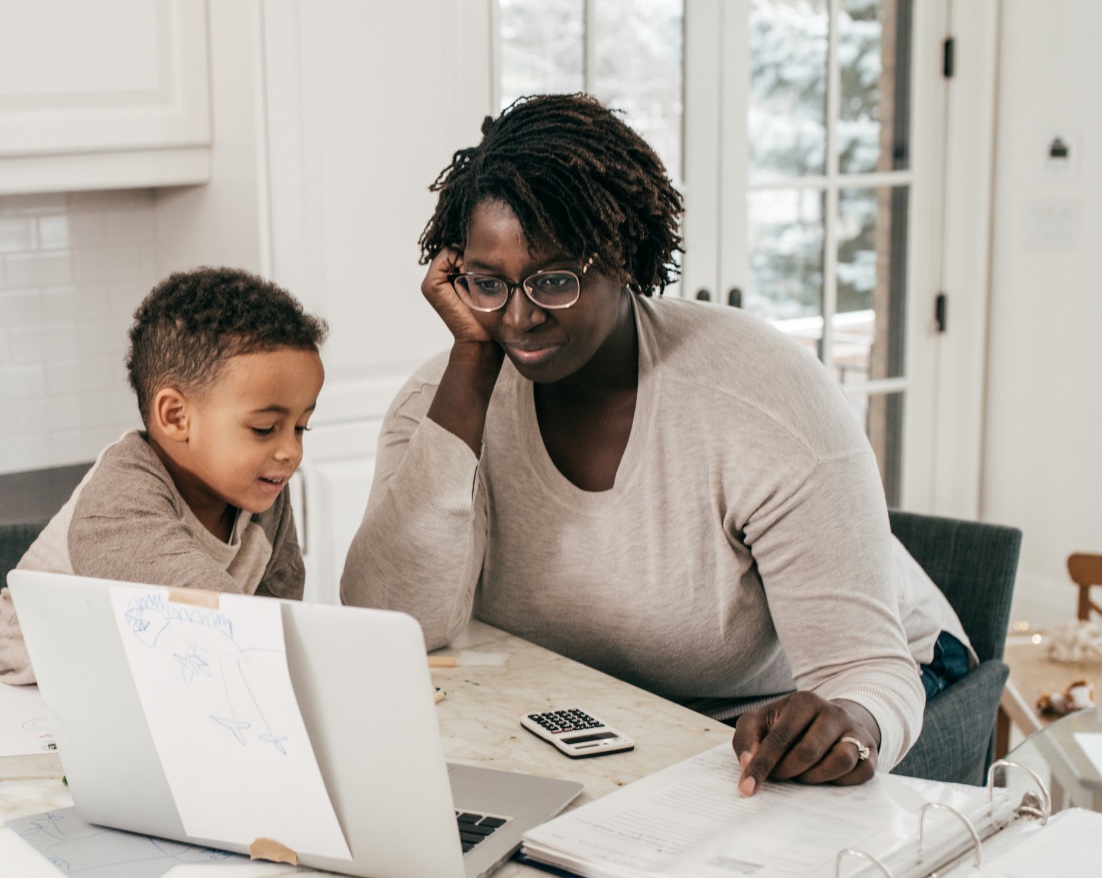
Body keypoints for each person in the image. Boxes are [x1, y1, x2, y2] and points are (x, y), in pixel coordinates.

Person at [339, 94, 973, 795]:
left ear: (623, 257)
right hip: (635, 714)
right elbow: (392, 624)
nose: (519, 316)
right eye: (489, 284)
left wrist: (847, 721)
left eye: (555, 279)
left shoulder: (761, 398)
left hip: (874, 688)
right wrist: (469, 362)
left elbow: (865, 667)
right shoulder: (443, 399)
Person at [0, 268, 325, 683]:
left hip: (147, 678)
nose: (290, 451)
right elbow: (223, 617)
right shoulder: (118, 502)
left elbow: (281, 617)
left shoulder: (263, 490)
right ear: (176, 417)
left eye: (301, 426)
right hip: (33, 689)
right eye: (265, 429)